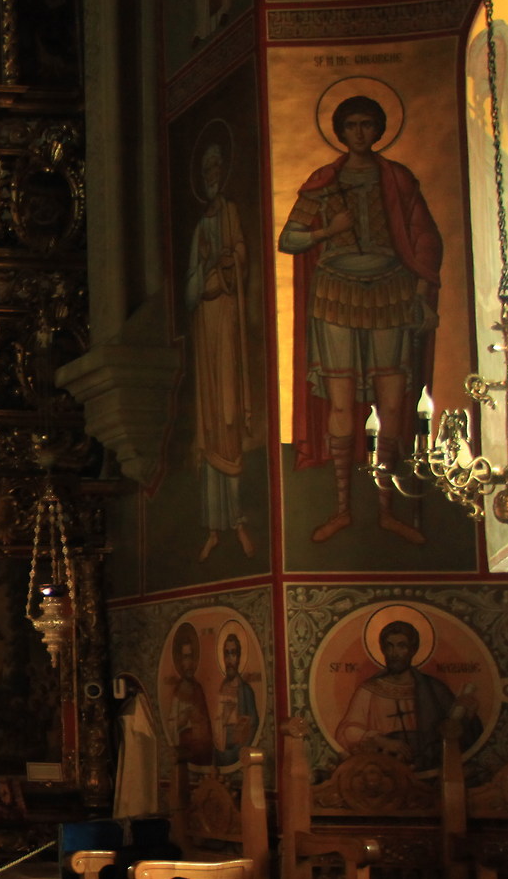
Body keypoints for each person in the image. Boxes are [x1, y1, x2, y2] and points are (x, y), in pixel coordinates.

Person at [279, 93, 442, 544]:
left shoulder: (398, 179)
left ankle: (388, 508)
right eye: (351, 125)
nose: (359, 132)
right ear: (339, 130)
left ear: (379, 128)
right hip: (336, 293)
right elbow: (289, 239)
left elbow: (424, 240)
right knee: (340, 400)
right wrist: (328, 230)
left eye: (367, 124)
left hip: (391, 291)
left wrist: (424, 296)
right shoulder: (324, 182)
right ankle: (343, 508)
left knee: (392, 401)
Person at [185, 134, 258, 559]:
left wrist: (229, 263)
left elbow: (241, 259)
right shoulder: (199, 229)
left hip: (228, 321)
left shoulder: (229, 214)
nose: (212, 177)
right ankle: (214, 524)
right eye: (206, 171)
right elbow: (190, 289)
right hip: (206, 324)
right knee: (211, 422)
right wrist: (210, 265)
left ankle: (237, 519)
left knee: (229, 417)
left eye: (217, 170)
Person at [336, 618, 475, 771]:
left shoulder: (434, 689)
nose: (394, 653)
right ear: (383, 649)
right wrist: (381, 741)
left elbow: (458, 733)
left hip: (428, 766)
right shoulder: (369, 689)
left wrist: (467, 713)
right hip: (383, 766)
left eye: (401, 646)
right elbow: (347, 731)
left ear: (413, 650)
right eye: (389, 646)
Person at [163, 622, 215, 766]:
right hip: (185, 752)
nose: (189, 662)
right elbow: (172, 726)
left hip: (203, 752)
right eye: (186, 657)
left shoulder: (198, 688)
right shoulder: (178, 691)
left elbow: (207, 725)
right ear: (180, 661)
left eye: (191, 656)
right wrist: (183, 719)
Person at [212, 629, 259, 767]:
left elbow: (253, 723)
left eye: (233, 653)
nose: (230, 659)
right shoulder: (219, 689)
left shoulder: (245, 691)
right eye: (227, 654)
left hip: (239, 752)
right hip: (220, 753)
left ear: (239, 658)